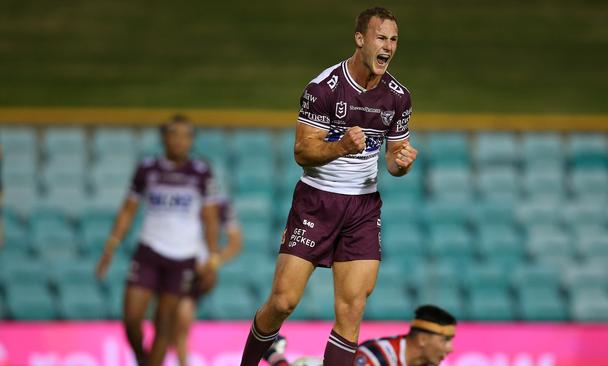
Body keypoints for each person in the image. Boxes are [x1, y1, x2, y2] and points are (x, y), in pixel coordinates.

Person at [240, 7, 418, 366]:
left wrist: (400, 165)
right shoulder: (323, 89)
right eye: (381, 37)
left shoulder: (398, 97)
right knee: (283, 301)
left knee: (352, 310)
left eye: (394, 39)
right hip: (317, 202)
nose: (388, 46)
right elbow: (302, 152)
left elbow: (394, 157)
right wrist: (341, 146)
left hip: (363, 208)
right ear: (360, 39)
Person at [95, 115, 221, 366]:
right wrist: (111, 246)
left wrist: (212, 258)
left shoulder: (201, 172)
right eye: (175, 135)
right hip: (149, 250)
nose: (180, 141)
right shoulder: (147, 168)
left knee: (164, 325)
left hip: (183, 257)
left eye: (186, 136)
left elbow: (209, 218)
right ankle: (143, 359)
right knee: (131, 319)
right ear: (164, 138)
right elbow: (128, 209)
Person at [263, 305, 457, 366]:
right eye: (445, 340)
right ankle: (272, 351)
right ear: (423, 339)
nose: (450, 348)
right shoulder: (377, 356)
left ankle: (274, 350)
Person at [174, 193, 242, 366]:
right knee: (173, 325)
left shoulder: (221, 204)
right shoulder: (182, 199)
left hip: (195, 270)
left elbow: (235, 242)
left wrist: (213, 262)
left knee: (180, 323)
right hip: (174, 263)